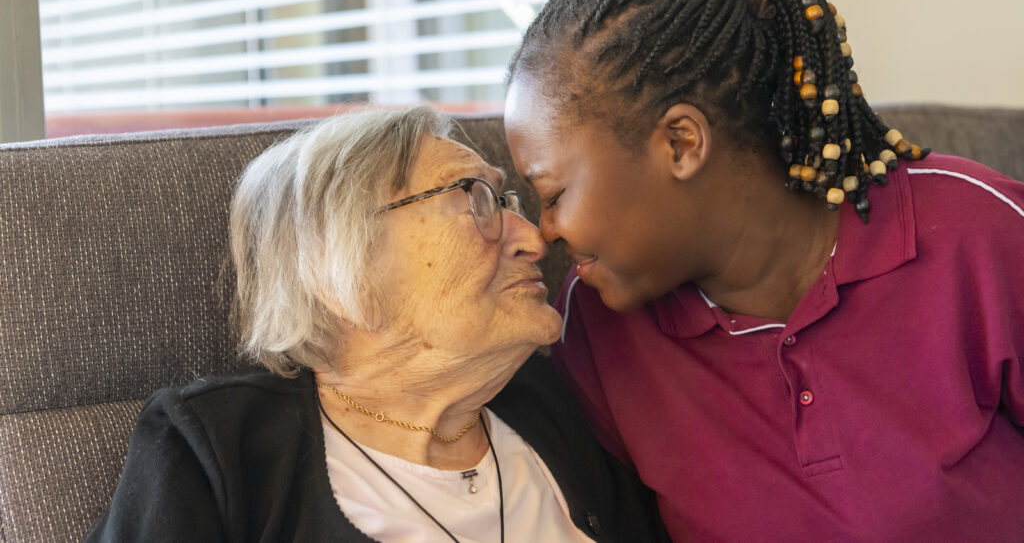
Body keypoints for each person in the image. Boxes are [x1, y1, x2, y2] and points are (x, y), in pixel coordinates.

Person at [504, 0, 1024, 541]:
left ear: (681, 144)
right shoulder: (592, 325)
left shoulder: (976, 235)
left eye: (553, 194)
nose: (543, 235)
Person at [87, 107, 667, 542]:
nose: (535, 238)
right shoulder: (217, 450)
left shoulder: (562, 403)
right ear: (344, 261)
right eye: (480, 202)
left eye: (510, 203)